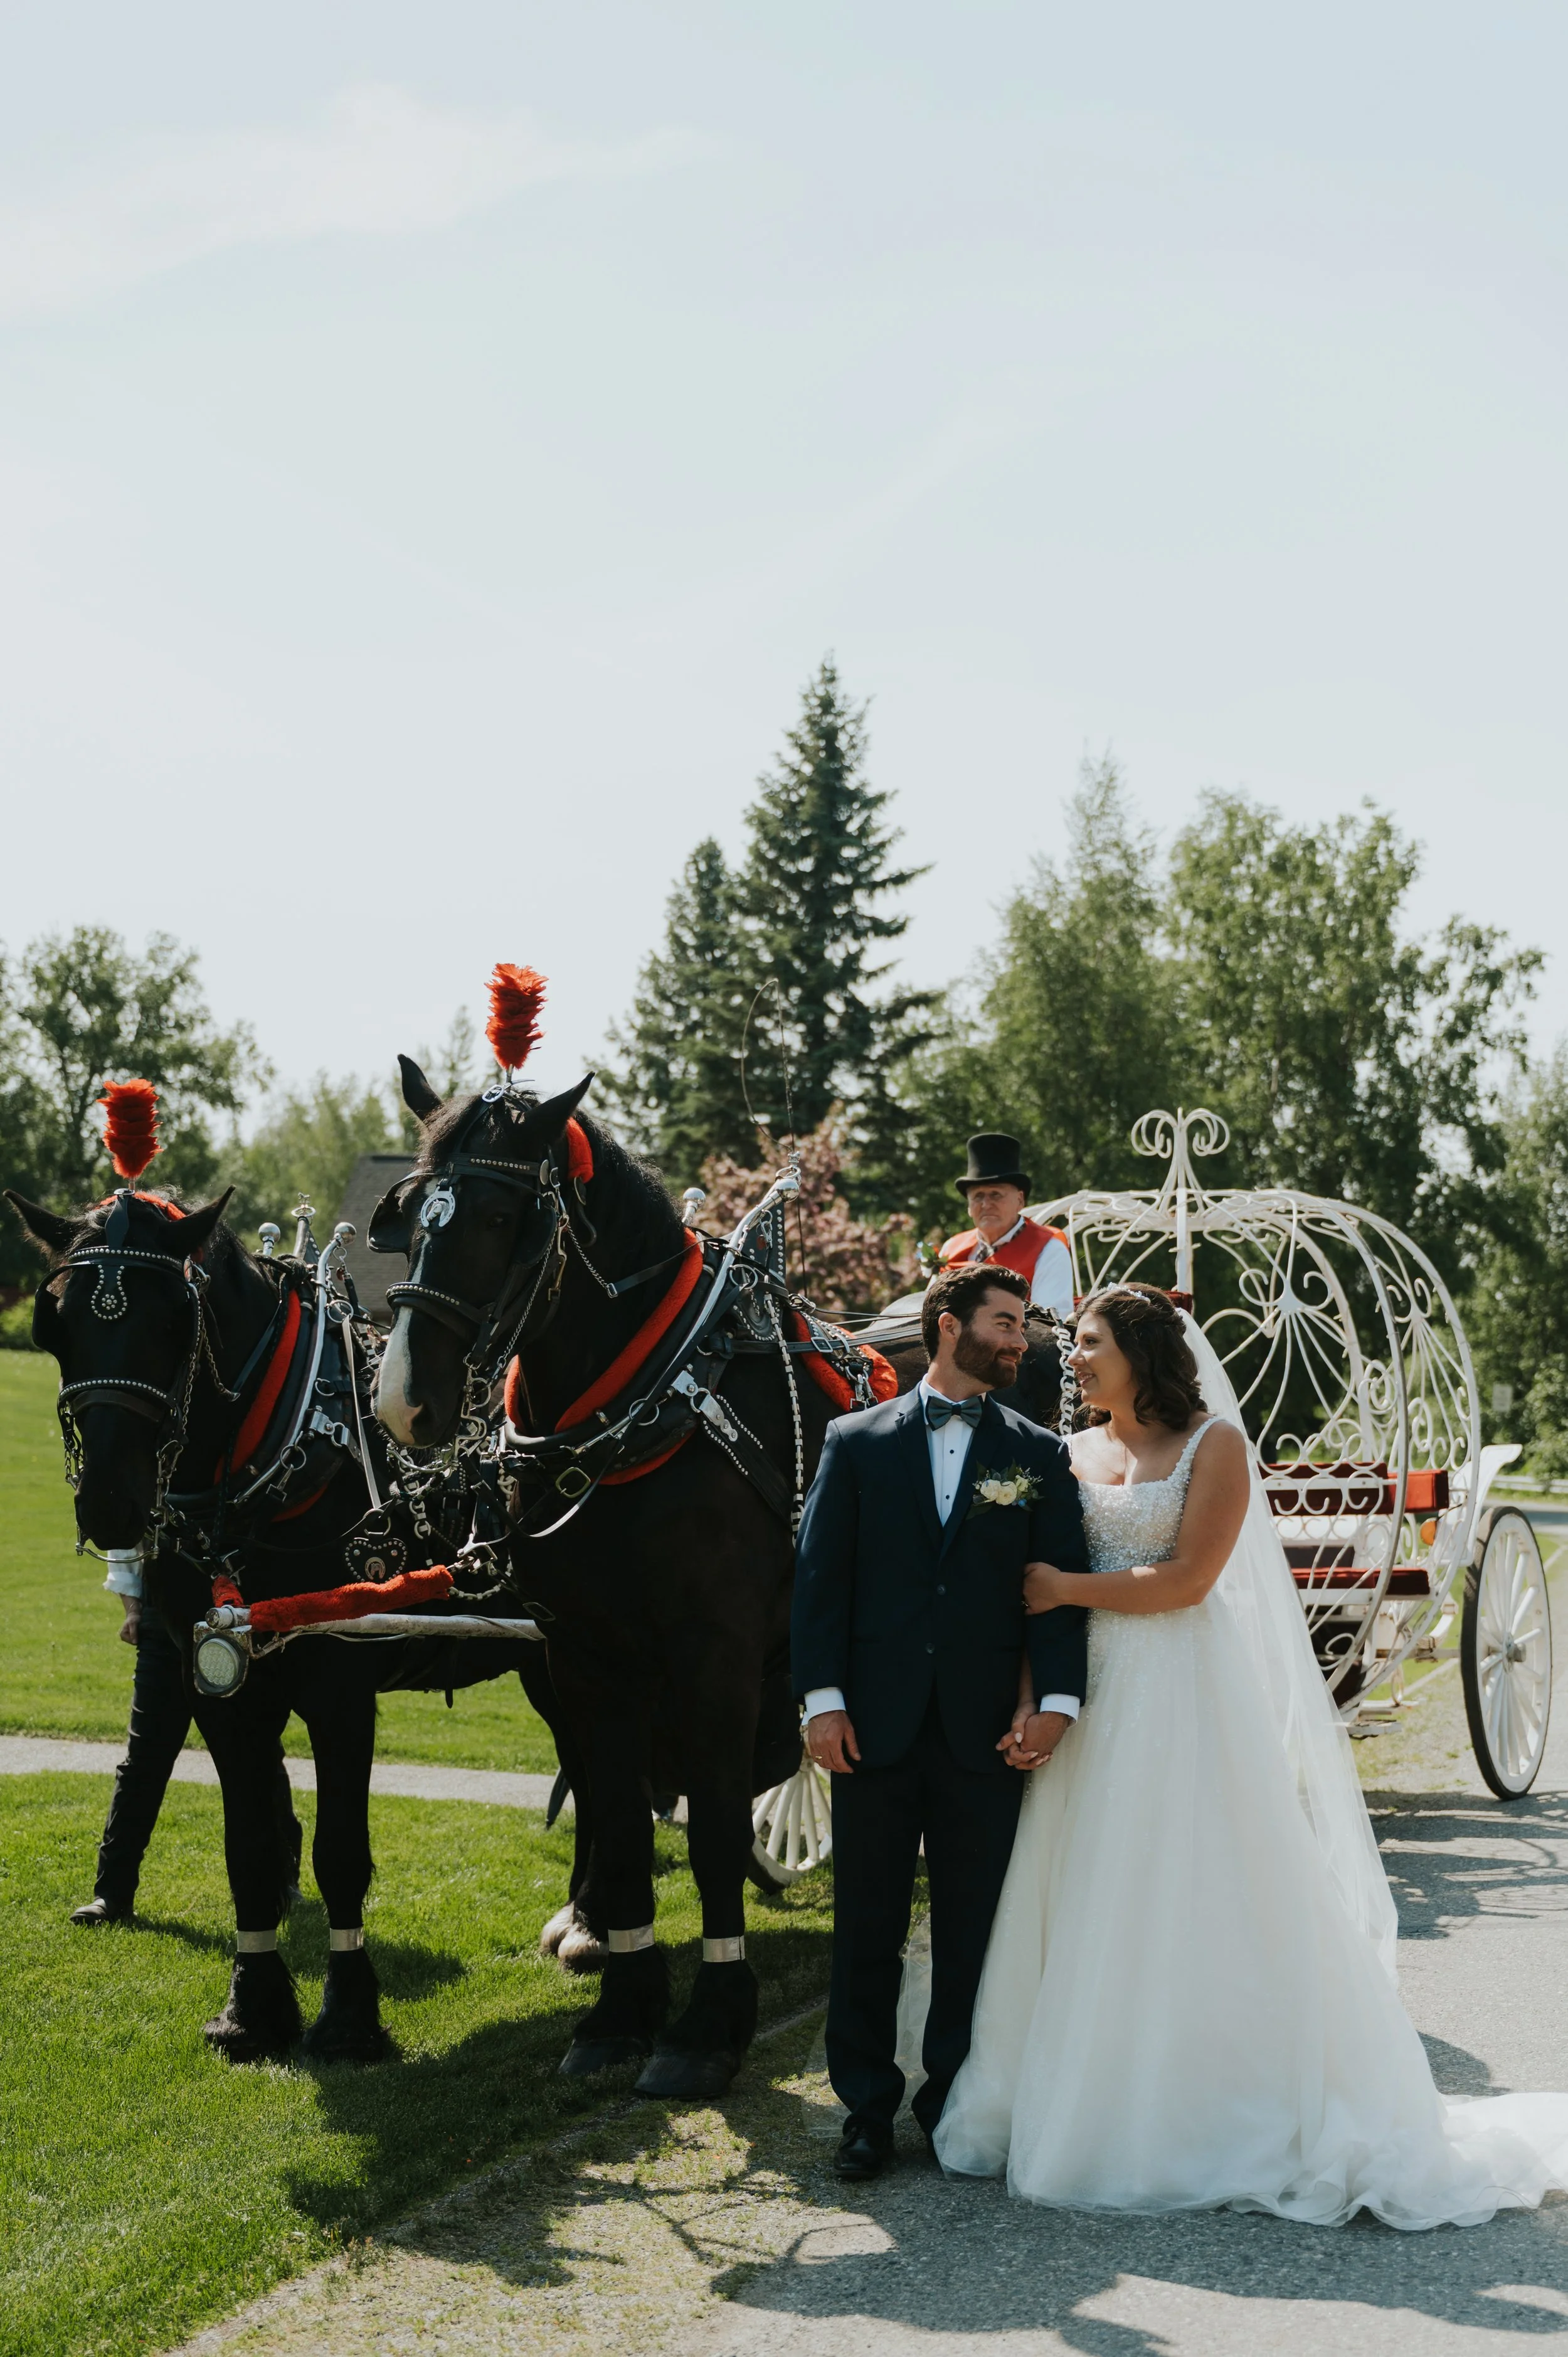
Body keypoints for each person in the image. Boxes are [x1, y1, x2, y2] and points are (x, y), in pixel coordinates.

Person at [933, 1284, 1568, 2228]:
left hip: (1179, 1693)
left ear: (1142, 1352)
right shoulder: (1069, 1453)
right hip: (1091, 1697)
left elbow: (1189, 1580)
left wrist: (1068, 1585)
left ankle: (1201, 2102)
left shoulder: (1213, 1446)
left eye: (1092, 1342)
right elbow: (1037, 1621)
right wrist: (1037, 1699)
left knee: (1188, 1885)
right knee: (1082, 1887)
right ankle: (1072, 2086)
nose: (1073, 1358)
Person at [791, 1262, 1090, 2183]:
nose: (1020, 1340)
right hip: (872, 1729)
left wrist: (1058, 1703)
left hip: (984, 1735)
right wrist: (823, 1701)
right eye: (1004, 1322)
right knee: (865, 1927)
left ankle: (952, 2102)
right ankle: (866, 2110)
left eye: (1022, 1325)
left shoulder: (1038, 1453)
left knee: (975, 1930)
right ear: (948, 1325)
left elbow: (1059, 1593)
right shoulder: (855, 1440)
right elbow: (817, 1584)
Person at [70, 1550, 302, 1927]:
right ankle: (111, 1895)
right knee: (144, 1761)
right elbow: (128, 1547)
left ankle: (284, 1878)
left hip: (239, 1621)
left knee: (256, 1754)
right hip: (165, 1625)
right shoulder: (153, 1489)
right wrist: (133, 1610)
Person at [938, 1134, 1073, 1320]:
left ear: (1019, 1200)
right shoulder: (951, 1248)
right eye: (978, 1196)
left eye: (996, 1195)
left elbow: (1050, 1324)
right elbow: (929, 1312)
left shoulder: (1049, 1249)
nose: (986, 1204)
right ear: (969, 1207)